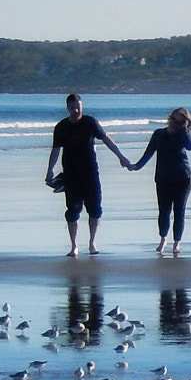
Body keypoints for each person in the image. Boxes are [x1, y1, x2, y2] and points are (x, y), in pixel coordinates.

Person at [44, 93, 128, 257]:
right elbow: (55, 150)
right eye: (73, 107)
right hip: (70, 173)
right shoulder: (61, 127)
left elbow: (106, 139)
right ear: (67, 108)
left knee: (95, 209)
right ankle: (74, 245)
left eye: (78, 107)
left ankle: (92, 242)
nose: (76, 110)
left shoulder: (90, 122)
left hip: (90, 172)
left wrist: (121, 157)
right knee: (72, 210)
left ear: (82, 106)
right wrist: (49, 170)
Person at [133, 107, 191, 255]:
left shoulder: (182, 134)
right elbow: (149, 152)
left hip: (183, 177)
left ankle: (176, 243)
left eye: (181, 119)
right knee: (164, 211)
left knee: (179, 211)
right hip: (163, 178)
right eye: (175, 118)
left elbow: (190, 146)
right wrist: (136, 166)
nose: (176, 121)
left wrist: (184, 128)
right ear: (170, 118)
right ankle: (163, 239)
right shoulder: (159, 134)